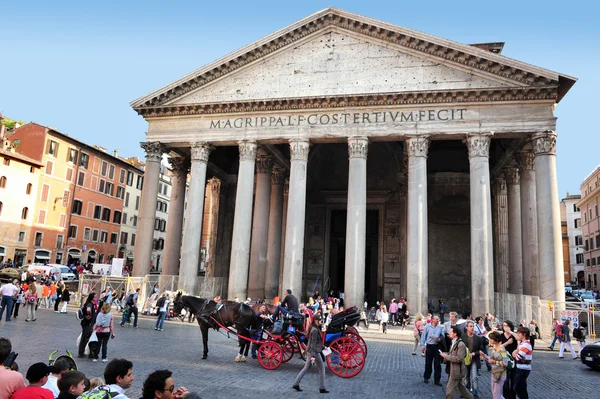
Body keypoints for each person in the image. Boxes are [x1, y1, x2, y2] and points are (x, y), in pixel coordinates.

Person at [292, 313, 328, 393]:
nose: (320, 321)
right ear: (315, 320)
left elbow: (315, 342)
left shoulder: (314, 328)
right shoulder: (315, 330)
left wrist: (323, 347)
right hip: (313, 352)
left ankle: (296, 383)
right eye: (319, 320)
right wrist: (313, 356)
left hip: (311, 351)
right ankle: (322, 388)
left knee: (306, 368)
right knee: (322, 369)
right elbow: (314, 344)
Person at [439, 326, 473, 399]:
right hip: (454, 370)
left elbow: (459, 359)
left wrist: (446, 356)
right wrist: (446, 354)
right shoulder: (454, 342)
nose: (449, 333)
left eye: (451, 332)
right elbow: (453, 354)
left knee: (449, 391)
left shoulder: (460, 344)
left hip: (457, 371)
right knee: (462, 389)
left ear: (455, 334)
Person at [480, 331, 509, 399]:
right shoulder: (494, 348)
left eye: (491, 339)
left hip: (501, 374)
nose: (490, 340)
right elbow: (491, 360)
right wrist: (485, 356)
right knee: (495, 394)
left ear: (496, 339)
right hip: (495, 372)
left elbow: (505, 363)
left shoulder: (501, 349)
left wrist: (494, 361)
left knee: (496, 395)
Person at [421, 315, 444, 386]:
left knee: (437, 364)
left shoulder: (440, 328)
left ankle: (437, 380)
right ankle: (426, 377)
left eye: (438, 319)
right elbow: (423, 336)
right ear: (432, 320)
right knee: (428, 363)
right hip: (429, 347)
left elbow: (443, 336)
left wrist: (439, 339)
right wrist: (422, 346)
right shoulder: (427, 327)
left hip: (437, 347)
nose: (437, 320)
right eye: (436, 319)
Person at [463, 321, 483, 399]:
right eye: (470, 326)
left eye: (473, 326)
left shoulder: (477, 338)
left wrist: (475, 353)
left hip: (474, 359)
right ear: (466, 327)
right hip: (465, 359)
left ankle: (475, 393)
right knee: (466, 377)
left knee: (474, 377)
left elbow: (481, 350)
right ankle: (466, 393)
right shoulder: (463, 337)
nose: (472, 328)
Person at [512, 327, 533, 398]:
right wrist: (515, 353)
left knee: (517, 388)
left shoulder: (526, 344)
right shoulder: (522, 343)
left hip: (523, 368)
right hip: (520, 367)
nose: (518, 335)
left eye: (519, 333)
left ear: (524, 334)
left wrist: (515, 354)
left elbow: (518, 357)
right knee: (522, 387)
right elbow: (516, 352)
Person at [79, 293, 96, 359]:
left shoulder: (88, 303)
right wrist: (90, 315)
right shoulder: (90, 304)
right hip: (88, 323)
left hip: (86, 322)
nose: (96, 298)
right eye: (95, 297)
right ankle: (82, 352)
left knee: (85, 337)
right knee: (85, 337)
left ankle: (82, 351)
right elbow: (88, 309)